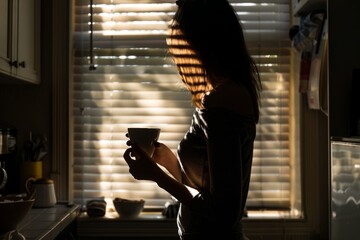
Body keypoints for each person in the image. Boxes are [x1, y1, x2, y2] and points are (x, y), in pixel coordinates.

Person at [123, 0, 262, 239]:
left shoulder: (223, 100)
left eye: (183, 49)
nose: (180, 63)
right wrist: (166, 160)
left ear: (202, 47)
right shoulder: (223, 95)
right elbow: (205, 187)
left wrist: (157, 177)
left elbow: (224, 213)